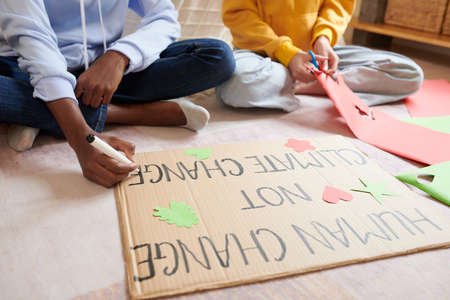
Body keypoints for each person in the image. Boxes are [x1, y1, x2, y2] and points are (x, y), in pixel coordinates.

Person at [0, 0, 235, 187]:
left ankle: (40, 113)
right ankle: (125, 113)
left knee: (217, 56)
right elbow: (36, 47)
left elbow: (164, 18)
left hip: (99, 75)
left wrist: (119, 57)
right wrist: (82, 138)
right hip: (24, 67)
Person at [217, 0, 423, 112]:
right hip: (260, 53)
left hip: (316, 53)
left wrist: (323, 38)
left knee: (410, 74)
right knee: (236, 86)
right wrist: (287, 53)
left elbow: (338, 5)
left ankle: (311, 83)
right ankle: (315, 84)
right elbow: (239, 16)